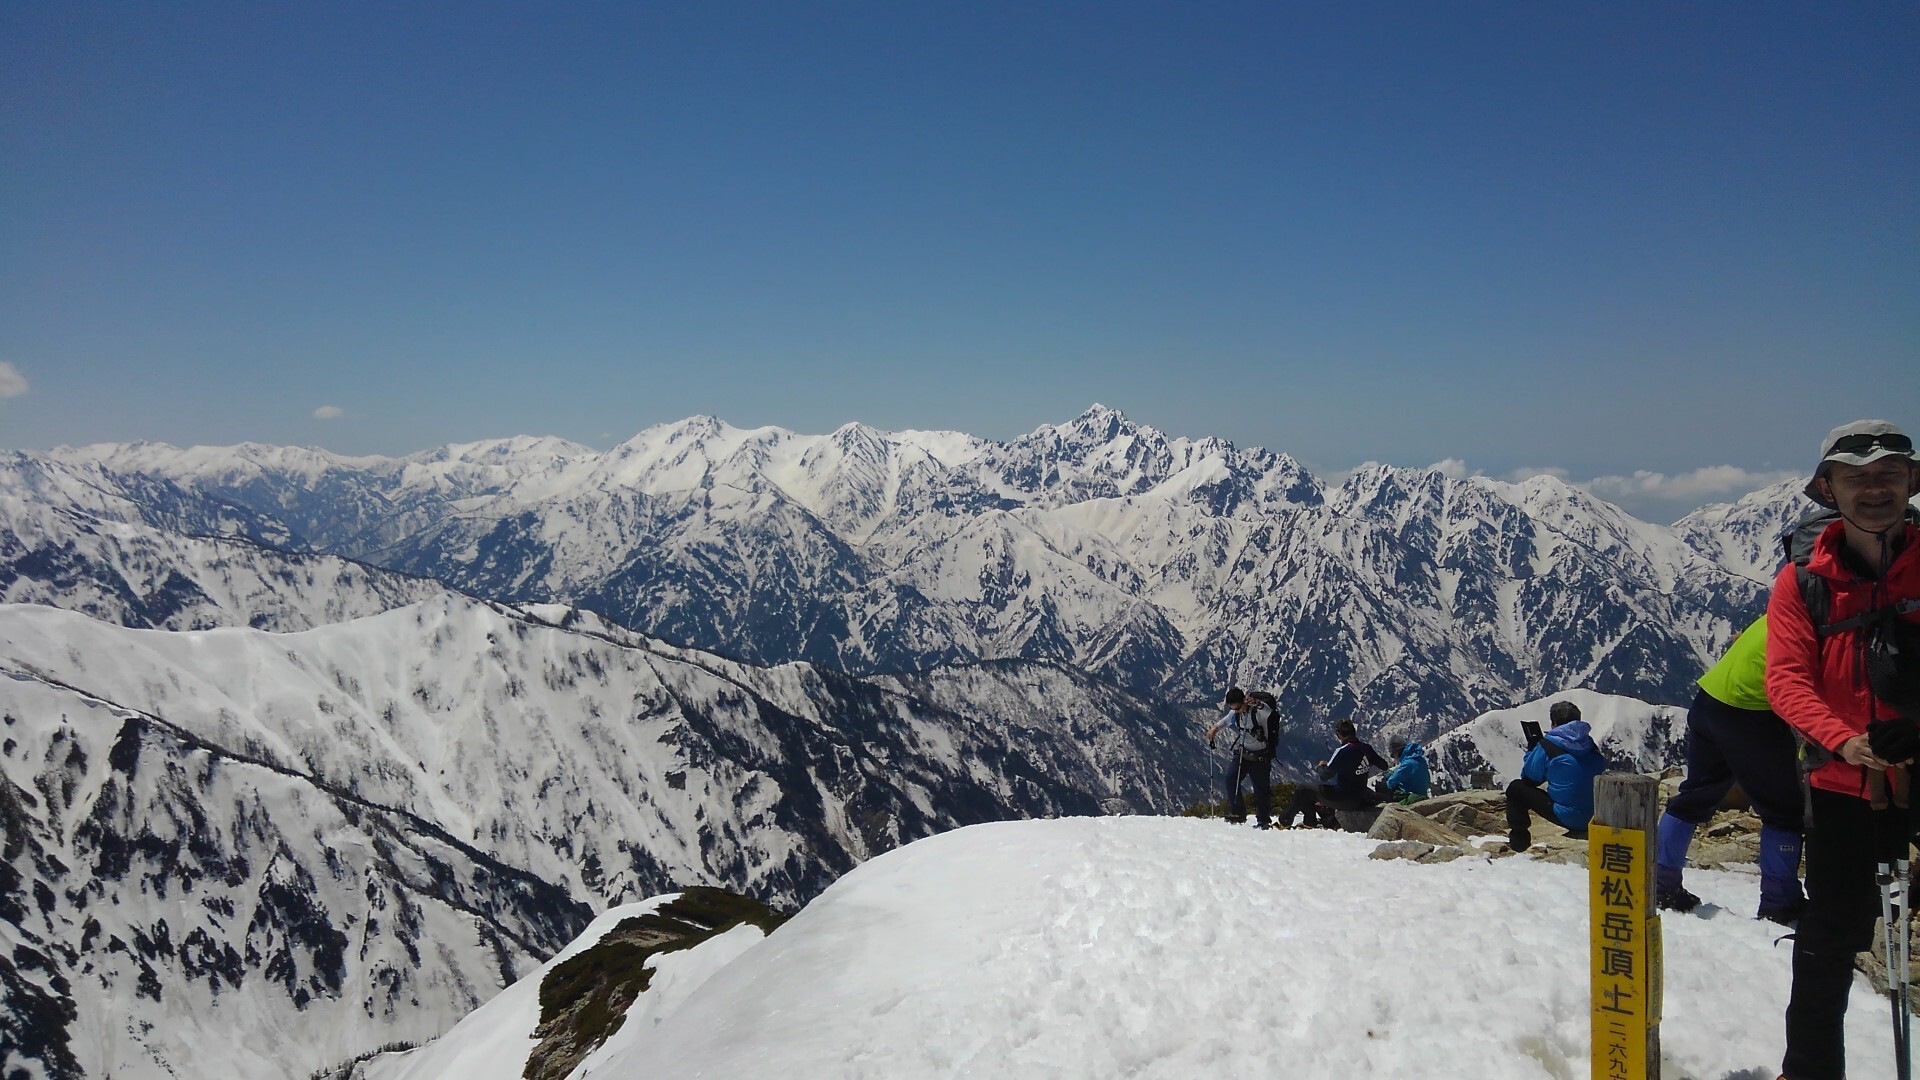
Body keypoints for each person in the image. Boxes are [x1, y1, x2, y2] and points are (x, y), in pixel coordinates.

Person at [1764, 419, 1920, 1080]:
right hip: (1840, 786)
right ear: (1830, 489)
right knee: (1826, 948)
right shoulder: (1802, 581)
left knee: (1827, 947)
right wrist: (1845, 741)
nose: (1875, 489)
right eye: (1858, 478)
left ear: (1911, 482)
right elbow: (1786, 680)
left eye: (1889, 474)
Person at [1653, 614, 1806, 924]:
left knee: (1695, 795)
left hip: (1709, 700)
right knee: (1784, 810)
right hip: (1751, 711)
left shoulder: (1779, 610)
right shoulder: (1816, 623)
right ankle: (1780, 903)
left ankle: (1661, 885)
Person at [1505, 700, 1607, 851]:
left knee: (1516, 788)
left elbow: (1528, 778)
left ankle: (1519, 843)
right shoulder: (1589, 743)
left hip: (1570, 817)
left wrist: (1533, 750)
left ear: (1554, 723)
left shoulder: (1549, 745)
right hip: (1596, 814)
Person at [1280, 719, 1390, 828]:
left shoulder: (1343, 751)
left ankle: (1286, 820)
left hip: (1344, 799)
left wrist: (1319, 767)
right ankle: (1309, 822)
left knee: (1304, 789)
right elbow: (1384, 765)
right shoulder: (1366, 748)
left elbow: (1324, 776)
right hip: (1361, 797)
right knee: (1308, 790)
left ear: (1338, 734)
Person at [1205, 687, 1279, 828]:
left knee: (1261, 789)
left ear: (1243, 702)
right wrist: (1215, 728)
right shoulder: (1237, 712)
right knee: (1231, 779)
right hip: (1243, 753)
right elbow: (1227, 720)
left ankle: (1263, 820)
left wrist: (1257, 703)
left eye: (1238, 707)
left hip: (1260, 756)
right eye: (1233, 708)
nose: (1236, 711)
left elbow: (1268, 712)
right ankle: (1238, 813)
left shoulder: (1258, 713)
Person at [1381, 738, 1431, 804]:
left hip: (1413, 795)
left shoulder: (1407, 764)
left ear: (1397, 752)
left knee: (1382, 787)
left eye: (1393, 755)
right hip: (1422, 792)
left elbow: (1391, 783)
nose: (1393, 758)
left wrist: (1388, 777)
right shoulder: (1418, 759)